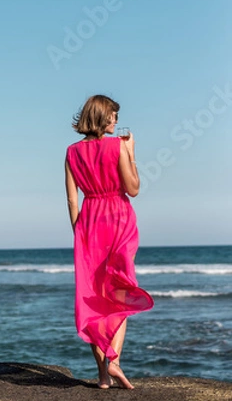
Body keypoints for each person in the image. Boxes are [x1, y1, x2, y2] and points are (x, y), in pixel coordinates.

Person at [65, 94, 154, 389]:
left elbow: (71, 199)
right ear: (104, 117)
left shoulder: (71, 152)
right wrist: (130, 153)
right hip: (117, 219)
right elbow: (133, 188)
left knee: (93, 299)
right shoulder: (117, 146)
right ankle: (113, 362)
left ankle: (103, 376)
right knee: (120, 293)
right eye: (113, 116)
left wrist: (79, 232)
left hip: (88, 224)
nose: (116, 121)